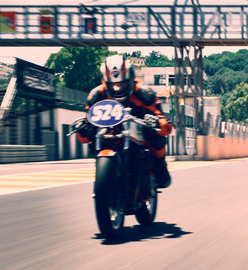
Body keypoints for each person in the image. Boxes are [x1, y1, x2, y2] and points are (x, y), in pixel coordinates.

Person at [74, 54, 174, 188]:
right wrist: (83, 128)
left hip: (139, 126)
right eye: (113, 85)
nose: (118, 88)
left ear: (131, 78)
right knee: (91, 135)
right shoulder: (96, 95)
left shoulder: (144, 92)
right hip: (111, 131)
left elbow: (161, 119)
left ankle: (160, 168)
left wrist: (158, 123)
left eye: (123, 84)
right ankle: (105, 174)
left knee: (156, 136)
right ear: (105, 81)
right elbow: (89, 119)